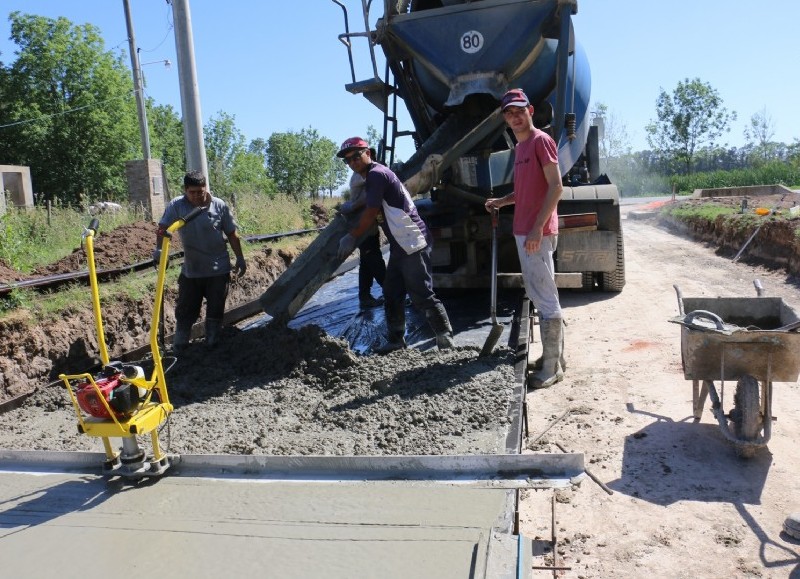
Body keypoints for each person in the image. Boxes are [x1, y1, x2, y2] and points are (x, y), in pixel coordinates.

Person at [335, 136, 453, 352]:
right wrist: (352, 206)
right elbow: (369, 200)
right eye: (348, 160)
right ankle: (397, 341)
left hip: (412, 240)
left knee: (421, 293)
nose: (352, 162)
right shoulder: (374, 176)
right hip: (401, 244)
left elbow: (371, 211)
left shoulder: (377, 175)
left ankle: (445, 337)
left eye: (356, 156)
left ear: (367, 153)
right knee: (391, 291)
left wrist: (352, 235)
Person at [484, 88, 565, 388]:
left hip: (536, 234)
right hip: (526, 231)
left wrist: (537, 228)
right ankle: (554, 359)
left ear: (530, 111)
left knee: (544, 299)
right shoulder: (520, 149)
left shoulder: (541, 141)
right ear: (505, 118)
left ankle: (551, 369)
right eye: (509, 112)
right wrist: (501, 202)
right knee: (543, 294)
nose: (515, 116)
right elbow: (526, 191)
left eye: (520, 110)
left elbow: (556, 187)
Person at [153, 170, 246, 351]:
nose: (196, 196)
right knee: (185, 309)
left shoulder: (219, 206)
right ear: (185, 190)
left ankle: (212, 345)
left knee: (215, 309)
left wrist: (240, 258)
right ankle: (180, 347)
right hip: (191, 269)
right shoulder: (177, 206)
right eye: (192, 192)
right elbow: (163, 228)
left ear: (205, 188)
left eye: (200, 192)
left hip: (218, 269)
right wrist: (159, 249)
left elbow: (232, 234)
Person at [339, 161, 386, 309]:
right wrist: (352, 206)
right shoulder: (363, 175)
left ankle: (364, 296)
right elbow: (368, 194)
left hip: (367, 226)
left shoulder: (360, 175)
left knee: (366, 262)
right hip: (363, 225)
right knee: (374, 260)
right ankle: (392, 291)